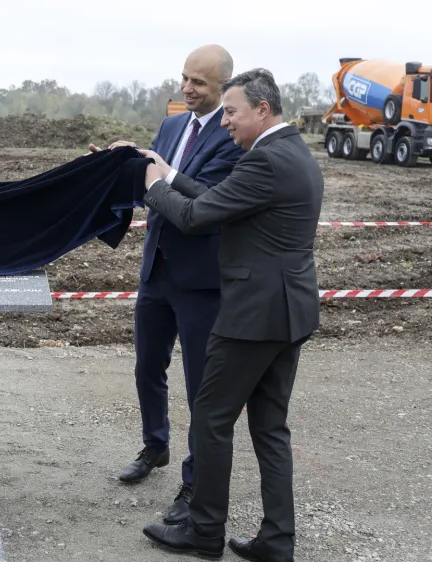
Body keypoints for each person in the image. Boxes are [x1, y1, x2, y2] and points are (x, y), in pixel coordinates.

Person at [138, 68, 323, 561]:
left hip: (252, 315)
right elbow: (220, 200)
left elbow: (197, 218)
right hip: (291, 312)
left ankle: (203, 534)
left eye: (233, 113)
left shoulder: (264, 161)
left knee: (212, 419)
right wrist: (170, 172)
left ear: (263, 110)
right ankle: (276, 541)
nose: (226, 123)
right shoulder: (292, 154)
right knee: (269, 426)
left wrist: (155, 188)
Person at [95, 44, 245, 525]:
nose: (187, 88)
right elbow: (151, 185)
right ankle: (154, 446)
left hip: (202, 282)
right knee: (147, 368)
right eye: (184, 78)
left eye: (198, 83)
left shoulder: (231, 134)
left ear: (223, 86)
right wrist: (118, 164)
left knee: (201, 388)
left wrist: (159, 176)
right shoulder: (173, 123)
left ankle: (195, 481)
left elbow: (206, 202)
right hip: (157, 271)